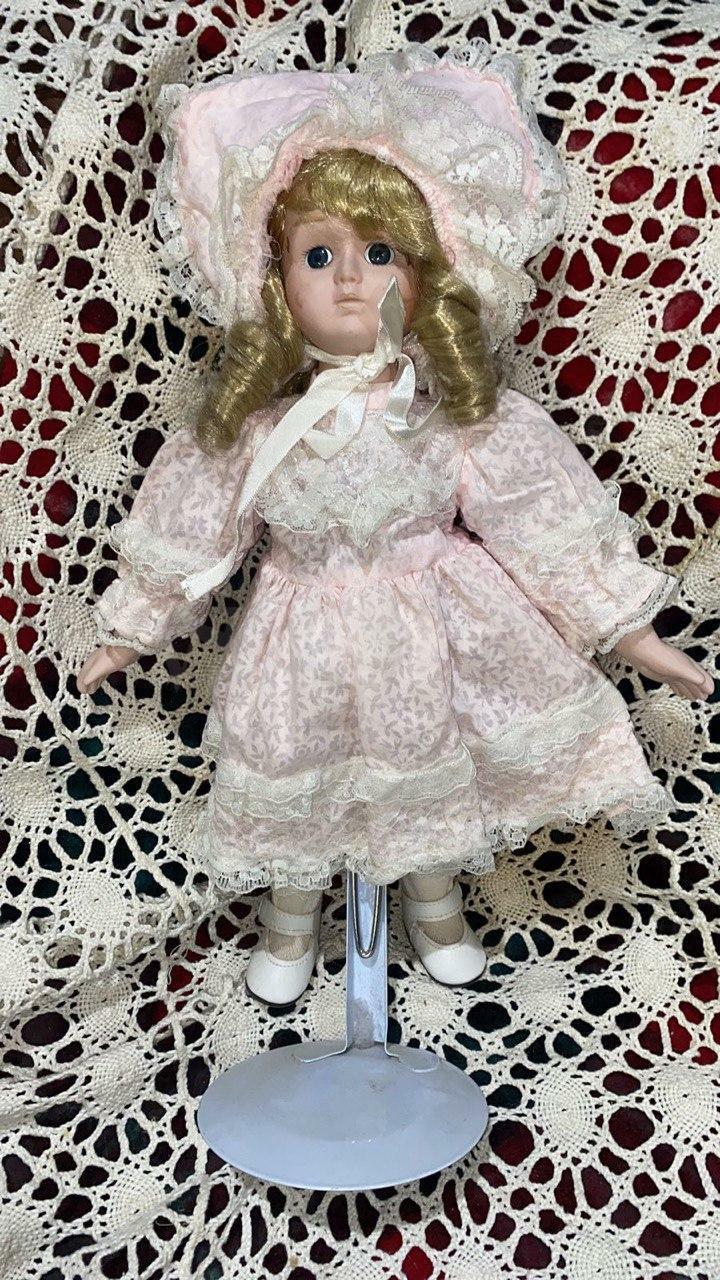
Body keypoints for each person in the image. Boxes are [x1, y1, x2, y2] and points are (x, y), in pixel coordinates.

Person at [77, 43, 714, 1009]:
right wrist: (131, 628)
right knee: (296, 774)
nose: (348, 281)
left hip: (436, 636)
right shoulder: (259, 428)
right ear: (273, 279)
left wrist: (632, 634)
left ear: (426, 273)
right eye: (318, 255)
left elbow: (540, 520)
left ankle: (438, 908)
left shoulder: (452, 417)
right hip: (302, 643)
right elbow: (195, 527)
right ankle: (290, 921)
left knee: (431, 773)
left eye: (380, 255)